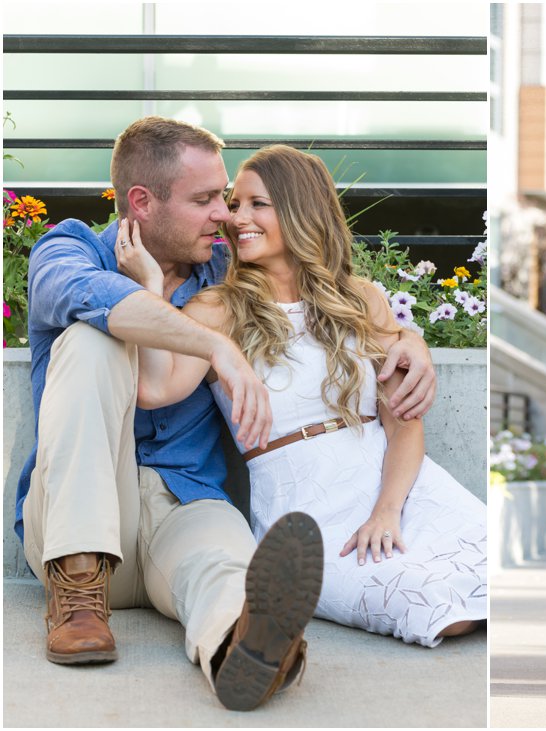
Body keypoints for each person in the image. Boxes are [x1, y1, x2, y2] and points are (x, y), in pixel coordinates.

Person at [16, 116, 436, 711]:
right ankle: (79, 594)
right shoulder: (72, 248)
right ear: (142, 201)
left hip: (184, 505)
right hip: (76, 517)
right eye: (206, 199)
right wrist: (215, 345)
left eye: (227, 198)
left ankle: (244, 651)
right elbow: (90, 298)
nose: (226, 215)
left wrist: (411, 341)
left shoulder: (225, 272)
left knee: (229, 574)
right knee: (91, 338)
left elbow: (327, 295)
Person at [115, 144, 487, 646]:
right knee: (431, 607)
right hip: (303, 510)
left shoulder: (361, 299)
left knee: (499, 581)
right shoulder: (216, 310)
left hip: (397, 487)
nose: (234, 217)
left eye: (255, 204)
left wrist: (386, 509)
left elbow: (402, 421)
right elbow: (155, 390)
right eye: (234, 202)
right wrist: (152, 289)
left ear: (299, 210)